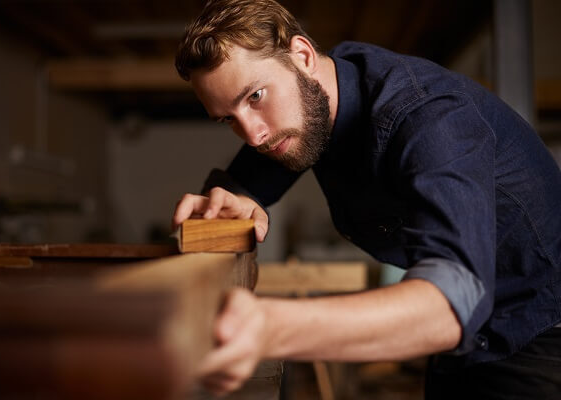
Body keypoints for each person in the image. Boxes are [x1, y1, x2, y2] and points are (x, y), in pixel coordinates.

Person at [171, 0, 561, 398]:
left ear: (303, 56)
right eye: (228, 119)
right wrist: (233, 199)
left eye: (255, 96)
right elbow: (241, 183)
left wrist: (269, 326)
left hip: (541, 337)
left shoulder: (430, 118)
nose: (253, 135)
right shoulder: (314, 97)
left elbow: (450, 302)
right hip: (462, 346)